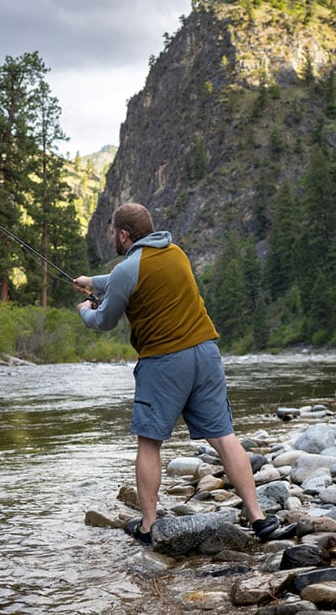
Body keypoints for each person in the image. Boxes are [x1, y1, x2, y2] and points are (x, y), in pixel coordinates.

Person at [74, 202, 296, 546]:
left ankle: (148, 526)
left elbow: (105, 319)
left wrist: (85, 310)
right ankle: (260, 519)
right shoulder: (176, 253)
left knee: (149, 442)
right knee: (224, 436)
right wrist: (93, 282)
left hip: (164, 361)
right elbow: (128, 276)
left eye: (113, 234)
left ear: (123, 234)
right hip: (206, 352)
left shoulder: (126, 270)